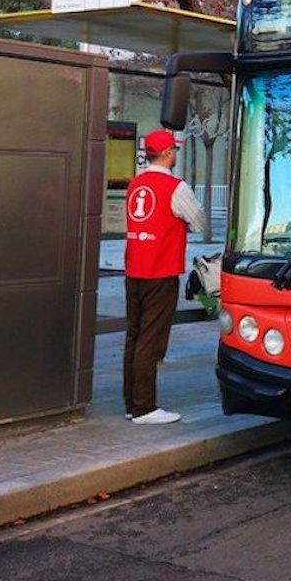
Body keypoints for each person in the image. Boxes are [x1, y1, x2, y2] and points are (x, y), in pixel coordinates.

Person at [123, 129, 208, 424]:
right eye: (175, 151)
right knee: (151, 339)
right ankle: (145, 407)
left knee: (134, 336)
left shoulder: (136, 184)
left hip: (134, 269)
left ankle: (131, 403)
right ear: (169, 153)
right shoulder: (176, 187)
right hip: (161, 270)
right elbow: (198, 221)